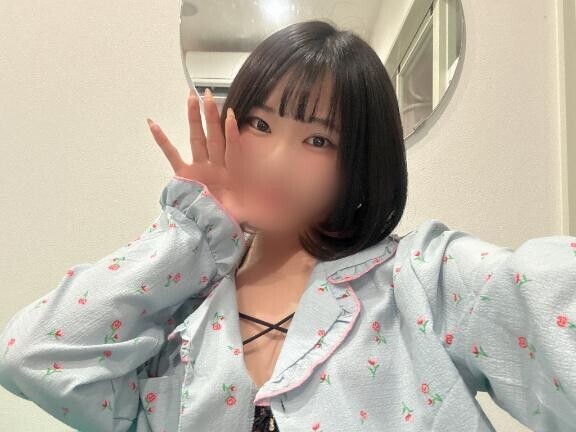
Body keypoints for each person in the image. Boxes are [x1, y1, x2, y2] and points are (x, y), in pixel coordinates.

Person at [0, 19, 575, 432]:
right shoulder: (178, 319)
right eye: (260, 124)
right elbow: (34, 356)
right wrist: (194, 230)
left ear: (360, 160)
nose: (276, 161)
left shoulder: (425, 280)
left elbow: (547, 300)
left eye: (319, 139)